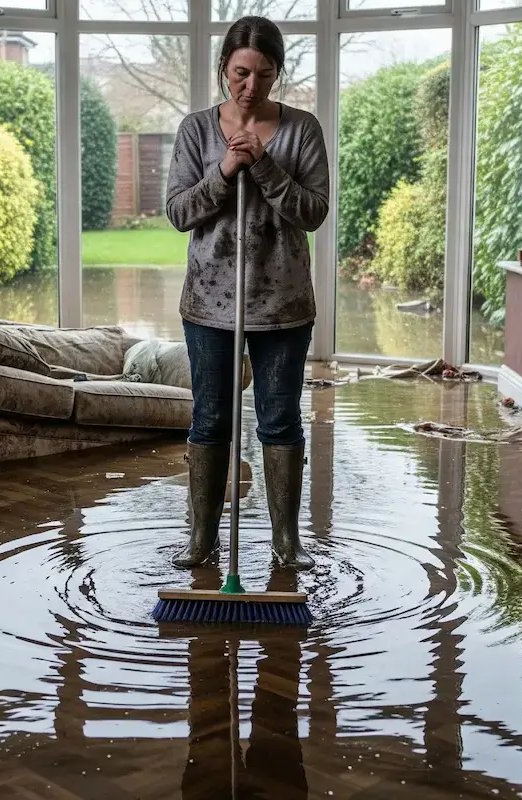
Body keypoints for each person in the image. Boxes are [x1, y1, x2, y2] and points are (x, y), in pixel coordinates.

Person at [165, 16, 329, 571]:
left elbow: (313, 213)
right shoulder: (196, 131)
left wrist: (264, 167)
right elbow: (178, 212)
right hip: (209, 304)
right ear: (223, 69)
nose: (250, 86)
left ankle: (287, 543)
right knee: (210, 419)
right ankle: (201, 540)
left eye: (263, 74)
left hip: (282, 306)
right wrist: (225, 169)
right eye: (240, 72)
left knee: (279, 420)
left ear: (277, 73)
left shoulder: (302, 130)